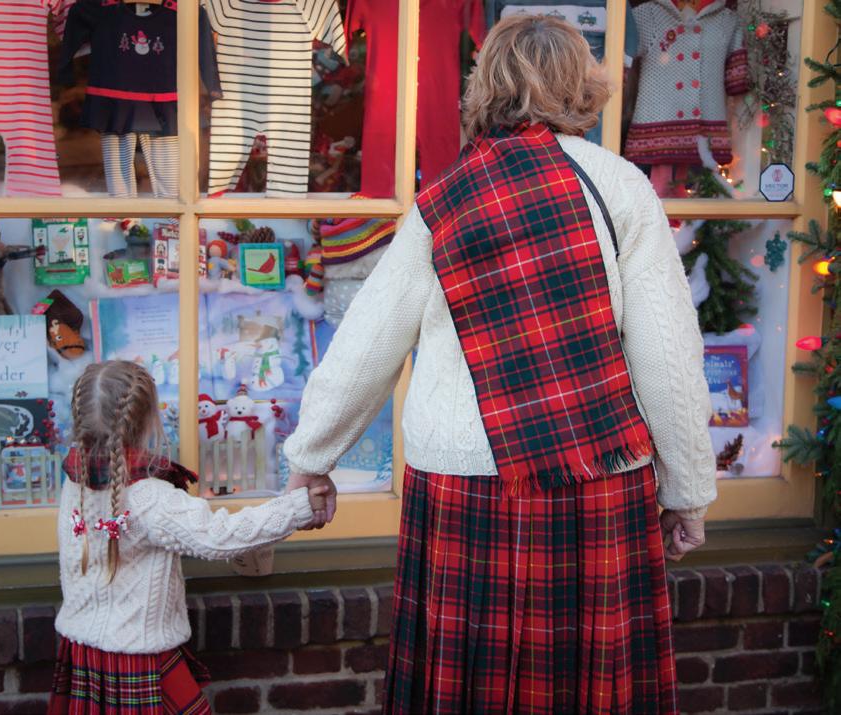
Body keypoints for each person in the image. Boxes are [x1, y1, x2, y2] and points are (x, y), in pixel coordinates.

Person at [284, 15, 716, 714]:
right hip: (593, 479)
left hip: (462, 485)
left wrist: (312, 456)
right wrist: (687, 489)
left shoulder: (444, 198)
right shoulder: (620, 187)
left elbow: (367, 339)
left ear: (485, 84)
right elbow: (667, 356)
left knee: (466, 687)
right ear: (582, 84)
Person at [49, 360, 326, 714]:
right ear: (147, 420)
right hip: (138, 659)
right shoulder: (148, 497)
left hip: (84, 654)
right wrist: (296, 508)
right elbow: (218, 537)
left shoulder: (74, 481)